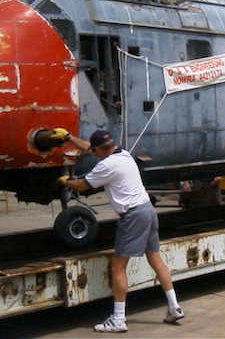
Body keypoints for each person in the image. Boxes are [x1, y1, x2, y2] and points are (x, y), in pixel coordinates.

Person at [51, 128, 184, 333]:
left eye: (94, 150)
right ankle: (174, 307)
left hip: (133, 216)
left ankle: (119, 319)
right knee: (155, 259)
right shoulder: (122, 153)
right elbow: (90, 148)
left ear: (99, 149)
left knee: (118, 267)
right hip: (148, 210)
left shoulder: (106, 166)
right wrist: (69, 138)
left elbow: (82, 185)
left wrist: (65, 181)